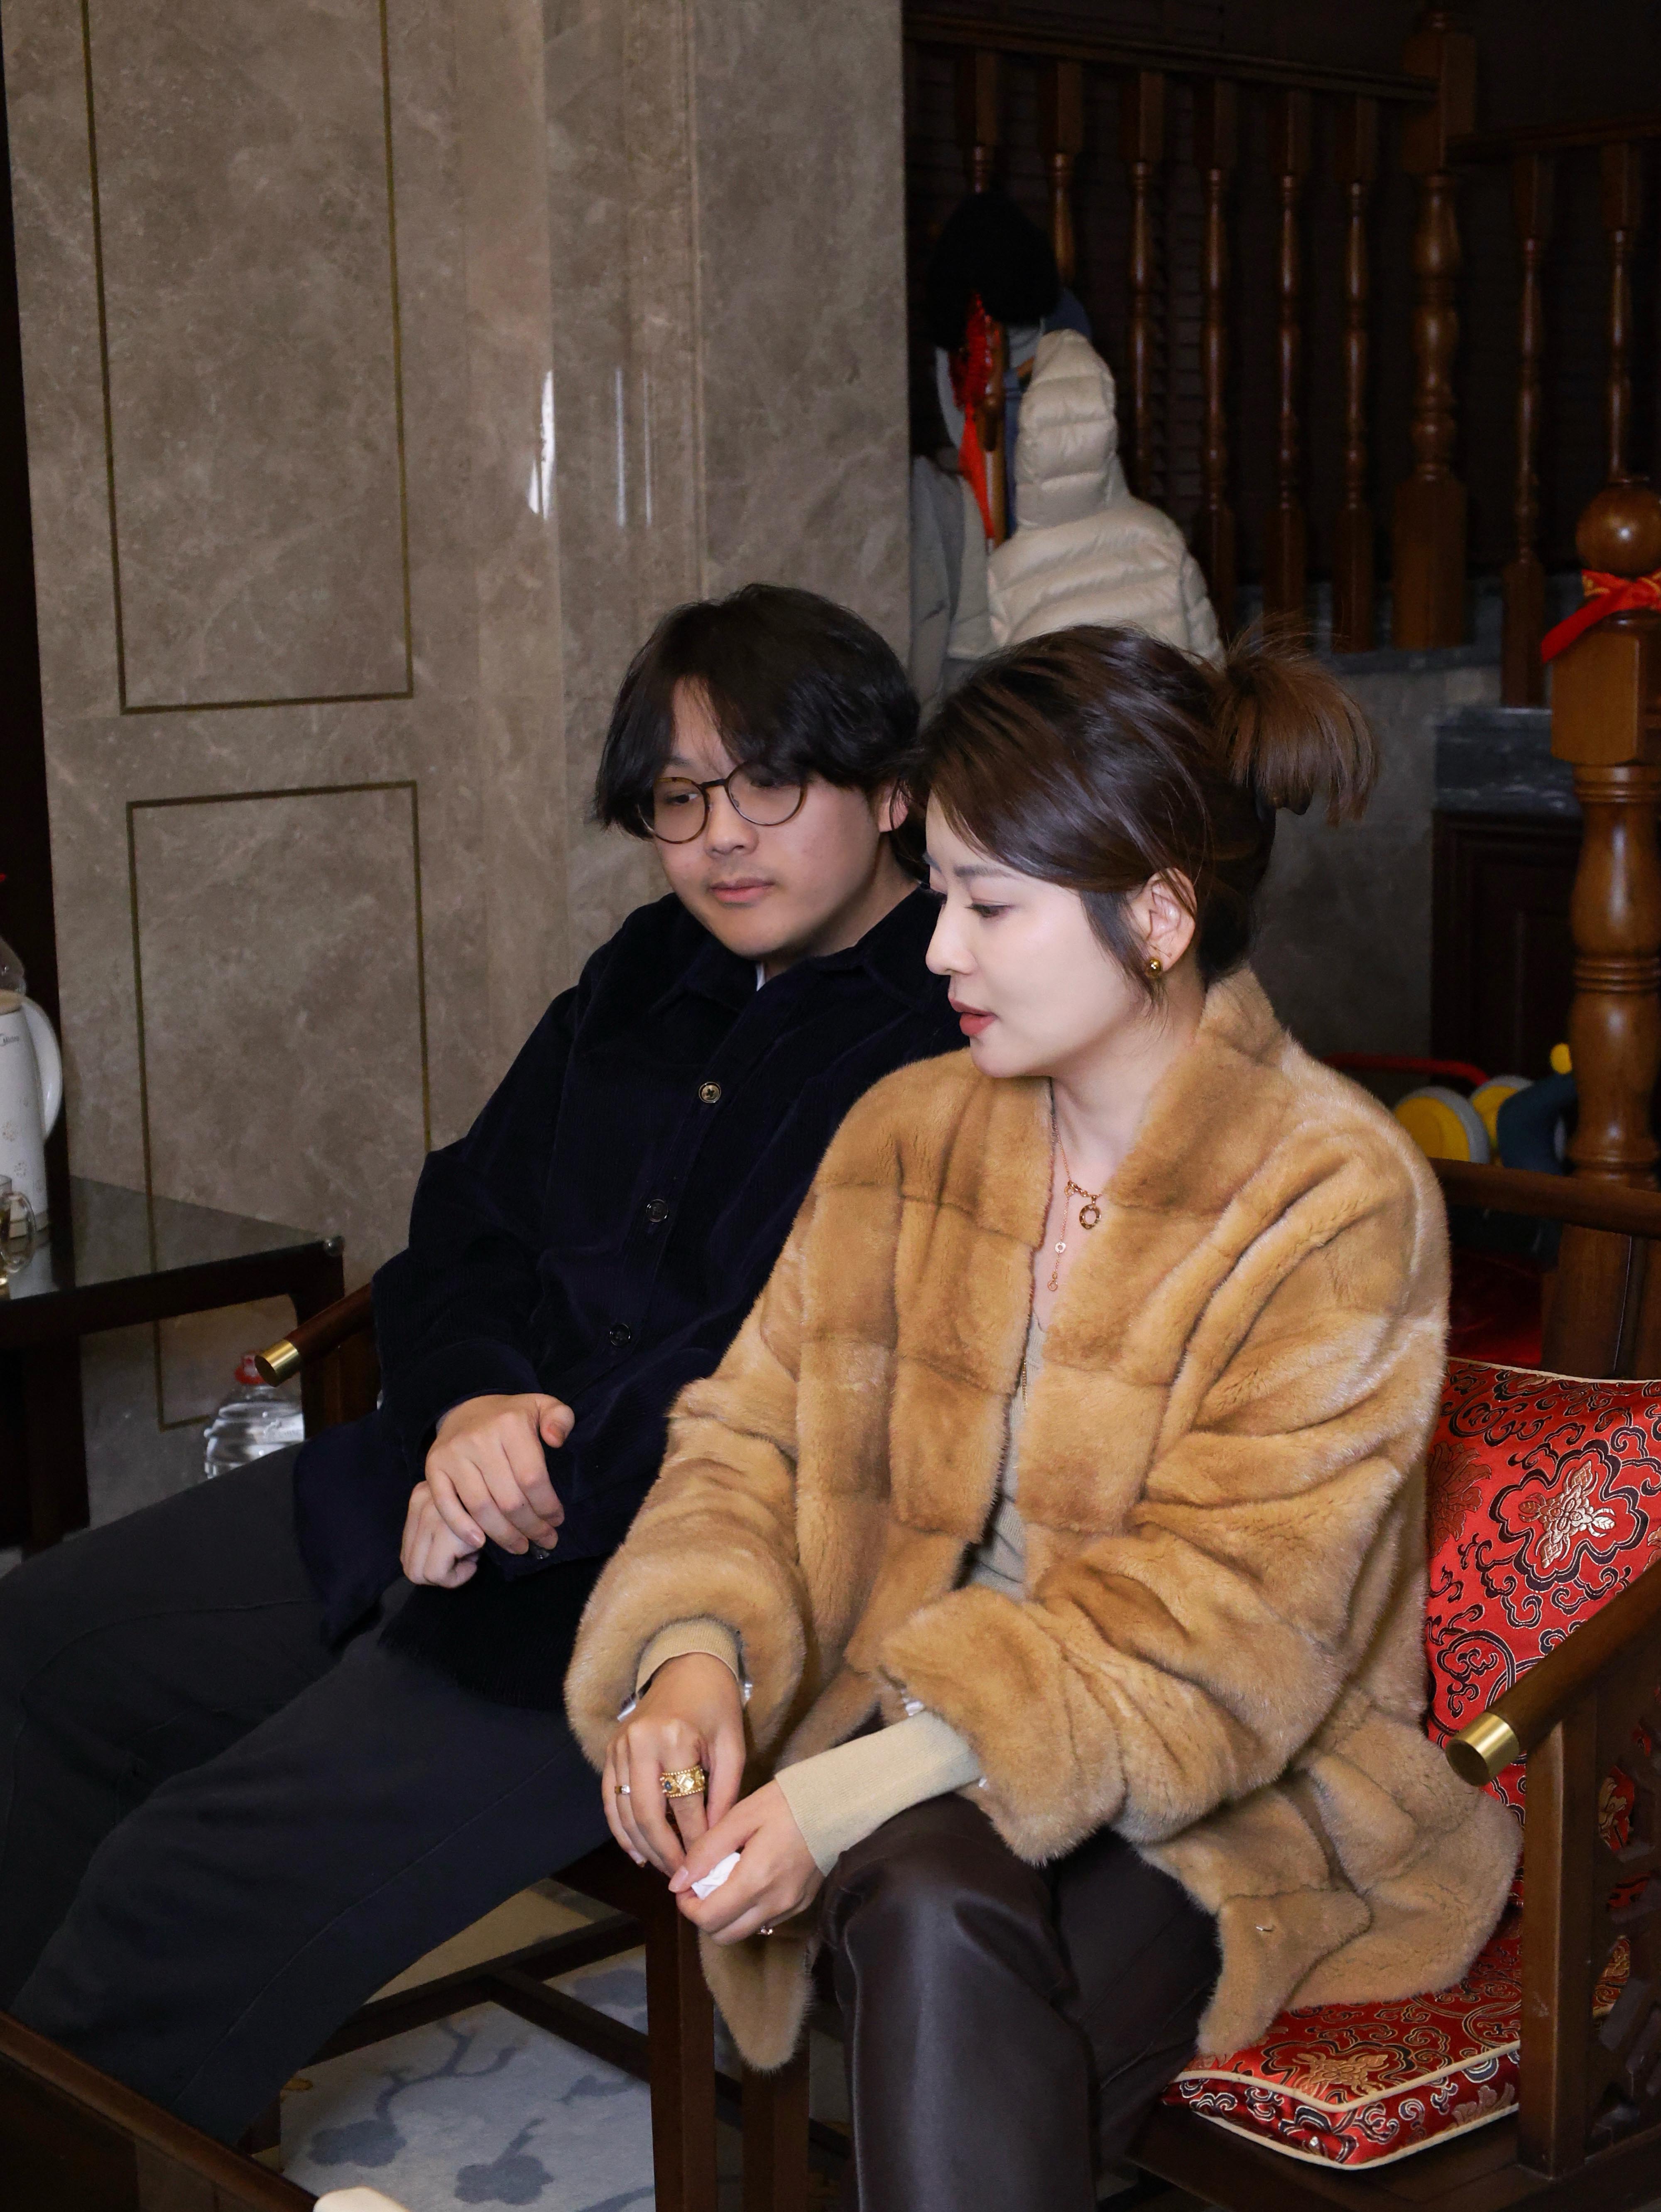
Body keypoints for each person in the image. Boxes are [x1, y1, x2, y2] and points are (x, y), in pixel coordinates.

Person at [567, 625, 1520, 2212]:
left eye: (989, 905)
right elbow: (748, 1434)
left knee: (933, 1925)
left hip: (1235, 1776)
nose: (939, 948)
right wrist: (690, 1652)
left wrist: (832, 1797)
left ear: (1156, 916)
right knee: (943, 1921)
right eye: (940, 892)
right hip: (907, 1716)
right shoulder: (909, 1128)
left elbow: (1211, 1637)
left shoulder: (1331, 1196)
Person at [0, 584, 962, 2143]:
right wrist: (465, 1404)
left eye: (771, 783)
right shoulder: (647, 968)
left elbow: (801, 1372)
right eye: (678, 796)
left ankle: (73, 2155)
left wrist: (525, 1466)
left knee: (190, 1877)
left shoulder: (955, 1017)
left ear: (893, 791)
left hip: (658, 1590)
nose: (721, 836)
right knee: (46, 1646)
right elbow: (466, 1219)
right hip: (437, 1478)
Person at [987, 330, 1221, 660]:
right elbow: (1209, 661)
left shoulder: (1004, 572)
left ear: (1028, 444)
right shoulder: (1159, 536)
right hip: (1161, 696)